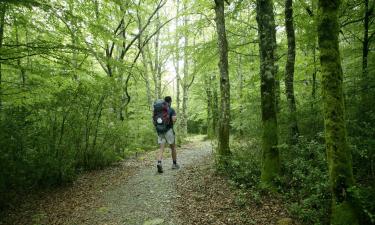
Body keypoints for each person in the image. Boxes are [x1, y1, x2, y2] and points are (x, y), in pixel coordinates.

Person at [156, 96, 179, 173]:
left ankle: (159, 162)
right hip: (168, 130)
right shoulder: (171, 109)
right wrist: (173, 121)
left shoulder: (159, 110)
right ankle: (174, 164)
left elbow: (154, 121)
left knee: (161, 148)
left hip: (160, 131)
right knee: (173, 147)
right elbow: (174, 119)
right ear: (170, 101)